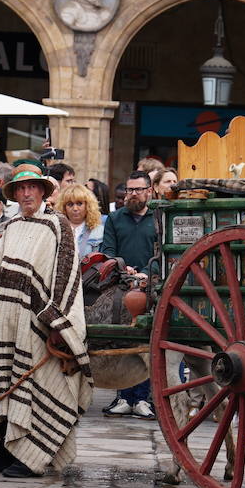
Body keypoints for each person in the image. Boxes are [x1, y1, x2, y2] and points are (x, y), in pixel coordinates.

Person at [0, 163, 91, 479]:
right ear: (14, 193)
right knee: (4, 381)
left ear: (43, 191)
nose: (26, 193)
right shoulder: (11, 226)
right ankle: (4, 448)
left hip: (36, 322)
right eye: (20, 188)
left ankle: (31, 456)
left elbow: (68, 276)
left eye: (32, 187)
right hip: (4, 319)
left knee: (32, 384)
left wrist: (57, 322)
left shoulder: (58, 226)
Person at [99, 170, 157, 419]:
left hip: (151, 286)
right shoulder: (115, 218)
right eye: (129, 190)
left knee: (145, 342)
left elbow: (161, 252)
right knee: (122, 337)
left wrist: (146, 273)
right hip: (121, 286)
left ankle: (143, 398)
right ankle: (123, 396)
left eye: (138, 189)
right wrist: (123, 267)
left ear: (149, 191)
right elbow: (107, 249)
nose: (132, 194)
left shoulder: (159, 218)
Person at [56, 183, 103, 259]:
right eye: (70, 204)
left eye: (79, 204)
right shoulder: (57, 229)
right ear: (64, 208)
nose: (75, 208)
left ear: (88, 205)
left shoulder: (99, 231)